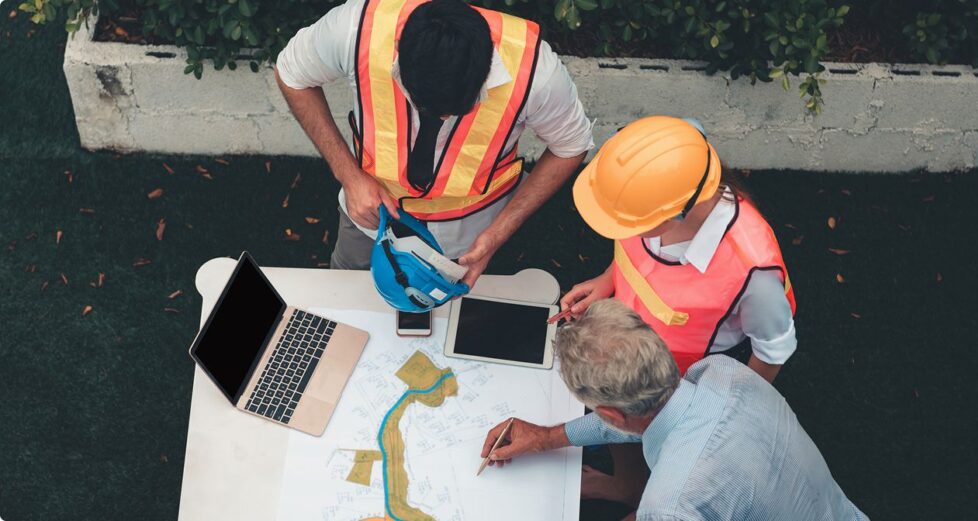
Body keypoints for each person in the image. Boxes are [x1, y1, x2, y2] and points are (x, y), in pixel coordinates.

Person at [275, 0, 593, 286]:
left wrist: (497, 234)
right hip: (369, 221)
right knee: (345, 296)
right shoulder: (356, 29)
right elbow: (291, 73)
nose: (439, 119)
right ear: (399, 51)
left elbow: (571, 145)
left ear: (488, 67)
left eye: (456, 110)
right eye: (425, 107)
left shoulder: (536, 72)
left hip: (473, 233)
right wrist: (349, 176)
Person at [481, 299, 867, 521]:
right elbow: (648, 416)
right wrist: (547, 438)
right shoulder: (722, 372)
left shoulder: (670, 505)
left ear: (611, 414)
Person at [561, 116, 796, 383]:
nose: (622, 229)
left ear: (675, 215)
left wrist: (733, 404)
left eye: (626, 222)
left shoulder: (754, 273)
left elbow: (773, 350)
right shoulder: (652, 193)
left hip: (686, 376)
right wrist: (606, 281)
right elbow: (634, 256)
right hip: (637, 345)